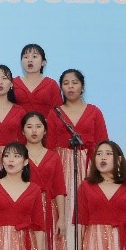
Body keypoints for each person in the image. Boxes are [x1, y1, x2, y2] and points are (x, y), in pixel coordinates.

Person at [22, 111, 69, 250]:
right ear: (23, 131)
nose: (34, 131)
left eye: (38, 126)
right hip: (23, 208)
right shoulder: (17, 155)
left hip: (47, 212)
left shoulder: (53, 157)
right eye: (29, 126)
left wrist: (62, 216)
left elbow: (59, 188)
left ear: (45, 130)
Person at [48, 68, 110, 206]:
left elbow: (103, 144)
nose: (70, 86)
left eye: (75, 83)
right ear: (61, 88)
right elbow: (49, 147)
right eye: (66, 83)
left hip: (90, 164)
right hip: (61, 166)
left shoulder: (95, 112)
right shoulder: (55, 113)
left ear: (82, 87)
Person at [13, 43, 61, 122]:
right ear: (21, 62)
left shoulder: (51, 84)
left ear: (43, 62)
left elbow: (58, 113)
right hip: (18, 128)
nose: (30, 60)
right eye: (26, 57)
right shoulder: (13, 83)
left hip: (45, 128)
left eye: (34, 57)